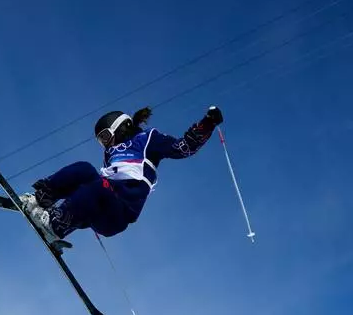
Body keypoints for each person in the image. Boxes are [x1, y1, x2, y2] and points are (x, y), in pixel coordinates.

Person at [20, 106, 224, 252]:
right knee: (84, 169)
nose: (106, 145)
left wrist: (207, 124)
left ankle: (55, 226)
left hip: (118, 214)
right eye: (101, 142)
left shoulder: (147, 139)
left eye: (106, 137)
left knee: (99, 185)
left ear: (122, 127)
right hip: (99, 202)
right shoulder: (110, 154)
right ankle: (40, 200)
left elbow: (183, 148)